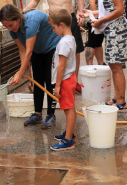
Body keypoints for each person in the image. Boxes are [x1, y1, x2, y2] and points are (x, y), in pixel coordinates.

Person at [23, 0, 85, 94]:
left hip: (69, 18)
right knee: (55, 52)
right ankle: (56, 82)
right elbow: (35, 1)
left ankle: (74, 81)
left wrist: (80, 13)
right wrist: (23, 13)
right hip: (54, 21)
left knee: (74, 51)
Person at [81, 0, 127, 111]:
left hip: (116, 30)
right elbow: (109, 9)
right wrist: (92, 12)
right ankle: (116, 98)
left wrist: (101, 21)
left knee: (116, 68)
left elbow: (119, 10)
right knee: (113, 66)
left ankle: (121, 101)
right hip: (112, 30)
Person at [0, 4, 61, 129]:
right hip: (38, 51)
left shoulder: (31, 21)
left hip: (52, 47)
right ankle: (37, 114)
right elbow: (22, 49)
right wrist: (22, 70)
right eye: (6, 26)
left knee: (50, 81)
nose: (9, 29)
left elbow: (28, 51)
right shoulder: (13, 29)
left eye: (10, 25)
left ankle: (51, 115)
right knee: (37, 81)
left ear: (18, 18)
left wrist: (20, 73)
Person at [47, 9, 77, 151]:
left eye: (54, 27)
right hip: (68, 78)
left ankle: (68, 140)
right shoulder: (70, 39)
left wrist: (57, 85)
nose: (53, 31)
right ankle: (69, 133)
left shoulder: (64, 42)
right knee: (68, 108)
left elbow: (61, 66)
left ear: (62, 25)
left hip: (65, 79)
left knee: (69, 109)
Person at [84, 0, 105, 65]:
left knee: (98, 42)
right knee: (92, 42)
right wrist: (96, 19)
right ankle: (89, 65)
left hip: (96, 16)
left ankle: (101, 63)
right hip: (93, 18)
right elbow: (92, 2)